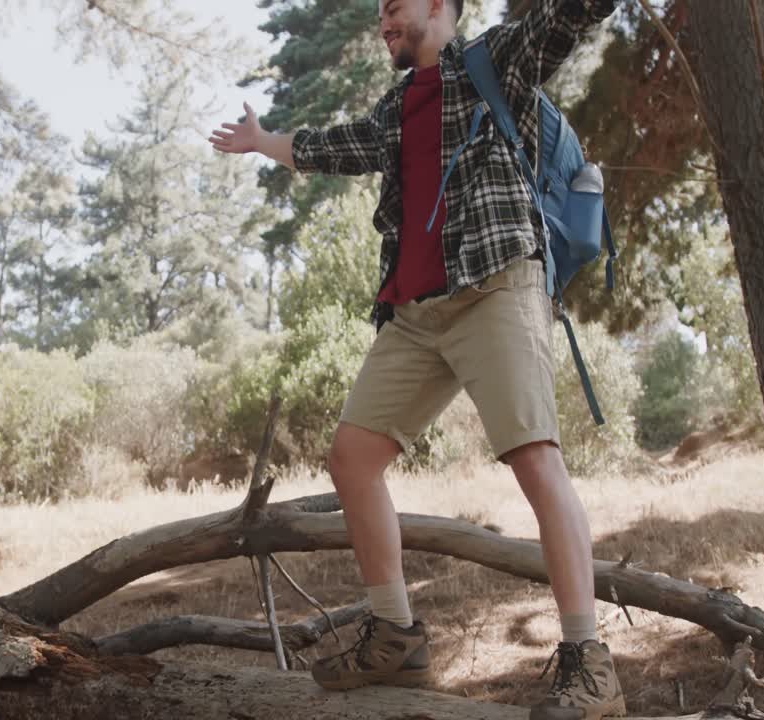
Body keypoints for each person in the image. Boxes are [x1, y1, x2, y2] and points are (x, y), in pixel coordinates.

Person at [210, 0, 625, 717]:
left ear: (439, 6)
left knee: (535, 457)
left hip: (496, 282)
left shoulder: (497, 61)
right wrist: (260, 141)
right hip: (414, 312)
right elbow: (335, 148)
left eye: (394, 8)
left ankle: (590, 663)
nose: (382, 25)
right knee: (352, 458)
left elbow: (569, 16)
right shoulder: (399, 103)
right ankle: (397, 636)